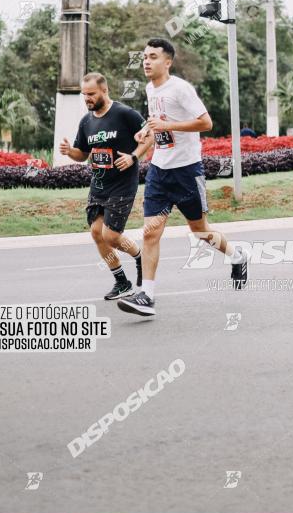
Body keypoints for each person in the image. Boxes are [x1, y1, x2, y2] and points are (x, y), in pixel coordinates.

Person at [117, 37, 248, 318]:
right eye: (144, 57)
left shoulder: (181, 89)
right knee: (151, 231)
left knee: (200, 232)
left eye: (152, 57)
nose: (146, 61)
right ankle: (147, 296)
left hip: (187, 171)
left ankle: (237, 256)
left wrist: (168, 125)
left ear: (168, 61)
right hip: (159, 171)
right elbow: (157, 125)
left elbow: (206, 122)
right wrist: (148, 133)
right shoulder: (150, 89)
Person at [59, 73, 152, 299]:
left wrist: (133, 156)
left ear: (104, 91)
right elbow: (83, 154)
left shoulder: (124, 114)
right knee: (96, 233)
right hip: (99, 185)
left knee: (111, 235)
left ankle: (140, 256)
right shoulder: (86, 122)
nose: (87, 99)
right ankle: (121, 282)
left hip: (123, 184)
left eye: (91, 94)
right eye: (84, 95)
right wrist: (70, 152)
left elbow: (149, 137)